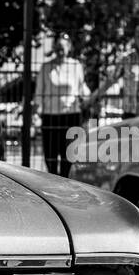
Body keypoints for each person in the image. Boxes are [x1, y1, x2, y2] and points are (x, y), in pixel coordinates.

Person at [34, 32, 90, 178]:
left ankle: (65, 182)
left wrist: (89, 98)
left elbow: (81, 88)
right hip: (51, 117)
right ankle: (52, 182)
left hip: (71, 116)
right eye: (57, 47)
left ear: (69, 48)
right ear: (54, 48)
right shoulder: (46, 67)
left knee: (69, 155)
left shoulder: (76, 65)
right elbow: (39, 93)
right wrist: (35, 113)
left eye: (63, 47)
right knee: (50, 156)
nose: (60, 50)